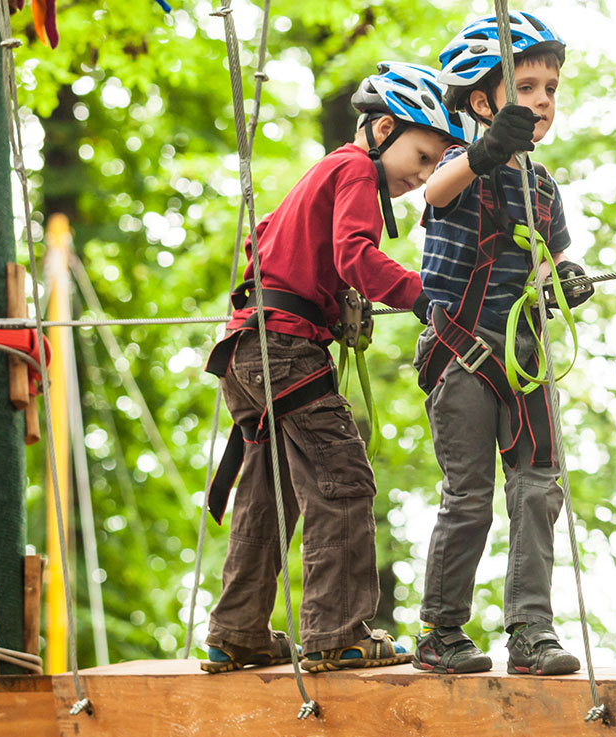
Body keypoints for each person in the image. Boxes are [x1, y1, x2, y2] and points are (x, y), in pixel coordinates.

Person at [201, 62, 475, 674]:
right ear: (382, 128)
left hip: (249, 350)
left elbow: (270, 243)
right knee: (342, 478)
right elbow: (354, 253)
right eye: (425, 156)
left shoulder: (320, 174)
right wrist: (421, 295)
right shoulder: (354, 169)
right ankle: (339, 634)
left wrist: (333, 304)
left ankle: (236, 631)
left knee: (269, 492)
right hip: (287, 350)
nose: (426, 175)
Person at [411, 11, 594, 676]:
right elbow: (432, 192)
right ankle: (442, 630)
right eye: (527, 85)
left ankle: (531, 629)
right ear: (484, 101)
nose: (544, 98)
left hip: (522, 357)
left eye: (550, 86)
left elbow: (550, 255)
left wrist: (562, 277)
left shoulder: (542, 186)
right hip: (463, 353)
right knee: (468, 495)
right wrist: (485, 151)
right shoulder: (463, 163)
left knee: (540, 489)